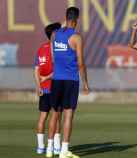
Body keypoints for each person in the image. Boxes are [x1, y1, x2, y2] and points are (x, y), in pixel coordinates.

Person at [46, 7, 89, 158]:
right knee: (68, 115)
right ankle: (64, 151)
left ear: (66, 17)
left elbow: (52, 57)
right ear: (76, 20)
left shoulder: (55, 35)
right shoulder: (77, 37)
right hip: (70, 80)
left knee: (54, 114)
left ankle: (49, 149)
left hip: (56, 79)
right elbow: (81, 63)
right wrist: (85, 83)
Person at [34, 22, 62, 155]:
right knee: (56, 117)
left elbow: (36, 70)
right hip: (55, 88)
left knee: (42, 118)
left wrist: (38, 85)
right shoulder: (57, 49)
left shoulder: (40, 49)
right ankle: (56, 147)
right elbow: (58, 70)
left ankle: (40, 147)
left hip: (43, 89)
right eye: (59, 31)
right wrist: (45, 79)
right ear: (54, 34)